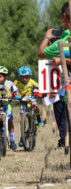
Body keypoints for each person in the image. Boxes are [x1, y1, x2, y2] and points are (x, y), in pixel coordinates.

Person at [38, 2, 71, 148]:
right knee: (61, 104)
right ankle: (64, 139)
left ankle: (65, 139)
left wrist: (47, 36)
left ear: (64, 16)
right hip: (64, 84)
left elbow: (41, 52)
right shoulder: (63, 37)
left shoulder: (63, 39)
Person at [14, 66, 44, 147]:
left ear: (29, 77)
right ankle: (22, 137)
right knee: (22, 119)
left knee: (35, 105)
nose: (24, 79)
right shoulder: (16, 82)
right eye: (22, 77)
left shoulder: (31, 81)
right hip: (22, 100)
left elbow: (38, 86)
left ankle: (38, 118)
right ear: (20, 77)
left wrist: (40, 92)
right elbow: (11, 88)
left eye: (26, 77)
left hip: (31, 98)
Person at [0, 66, 21, 151]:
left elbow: (16, 92)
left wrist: (15, 95)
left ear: (5, 77)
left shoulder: (10, 84)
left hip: (6, 105)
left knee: (9, 120)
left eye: (0, 77)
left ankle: (12, 140)